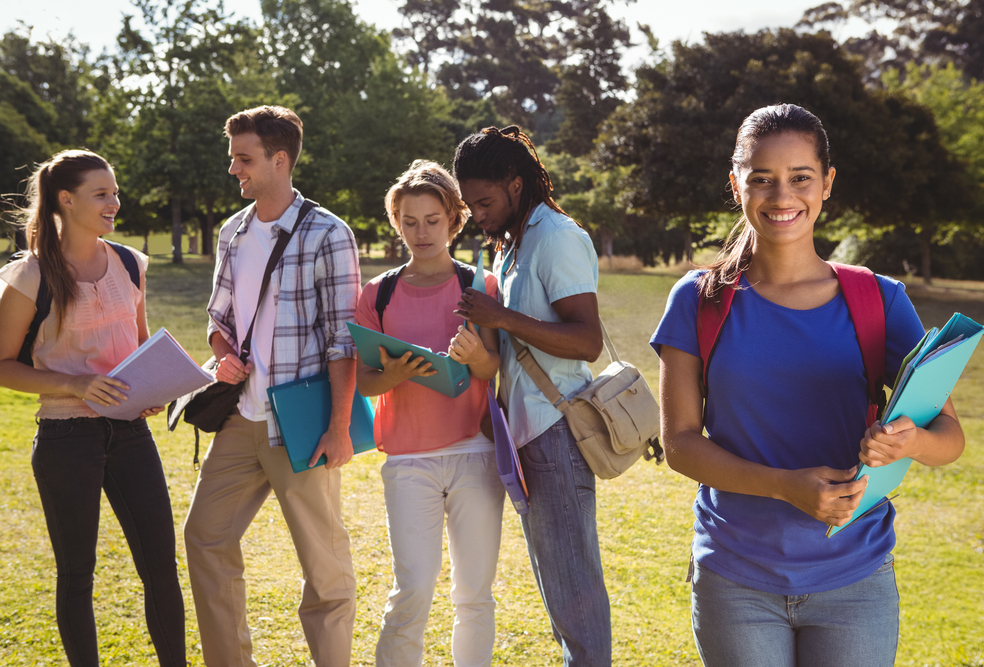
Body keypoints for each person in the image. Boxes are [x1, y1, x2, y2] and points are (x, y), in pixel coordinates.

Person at [650, 103, 966, 667]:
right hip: (736, 579)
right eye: (762, 179)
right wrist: (783, 486)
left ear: (827, 184)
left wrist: (908, 441)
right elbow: (679, 443)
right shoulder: (698, 300)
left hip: (855, 580)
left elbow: (947, 434)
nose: (781, 196)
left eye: (800, 178)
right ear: (736, 184)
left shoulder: (880, 299)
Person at [0, 150, 186, 666]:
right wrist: (76, 384)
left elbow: (140, 347)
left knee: (161, 566)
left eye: (115, 192)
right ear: (66, 200)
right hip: (65, 439)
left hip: (130, 436)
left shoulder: (129, 263)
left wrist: (152, 386)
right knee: (77, 573)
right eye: (102, 194)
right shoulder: (30, 275)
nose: (114, 203)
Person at [182, 105, 361, 667]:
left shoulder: (330, 234)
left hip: (301, 424)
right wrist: (222, 353)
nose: (233, 168)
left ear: (279, 160)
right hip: (240, 417)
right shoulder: (231, 232)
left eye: (244, 158)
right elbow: (219, 316)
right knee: (204, 536)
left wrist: (337, 427)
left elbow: (343, 339)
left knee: (323, 566)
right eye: (233, 156)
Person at [452, 126, 612, 666]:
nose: (477, 213)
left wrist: (499, 316)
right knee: (559, 592)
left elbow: (587, 339)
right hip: (528, 438)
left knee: (574, 592)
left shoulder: (556, 236)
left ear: (516, 184)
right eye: (470, 203)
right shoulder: (515, 243)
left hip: (558, 435)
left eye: (485, 200)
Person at [354, 160, 505, 666]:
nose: (421, 232)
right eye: (410, 221)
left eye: (432, 220)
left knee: (474, 595)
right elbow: (363, 378)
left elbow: (492, 368)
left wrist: (473, 357)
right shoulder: (378, 294)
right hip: (408, 460)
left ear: (453, 221)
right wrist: (396, 375)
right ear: (396, 223)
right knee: (413, 588)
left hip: (474, 454)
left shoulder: (480, 287)